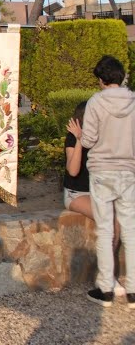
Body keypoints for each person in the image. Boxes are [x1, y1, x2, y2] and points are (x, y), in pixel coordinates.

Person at [80, 55, 135, 307]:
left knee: (105, 230)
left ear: (101, 79)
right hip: (129, 171)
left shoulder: (95, 102)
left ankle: (105, 289)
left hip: (102, 171)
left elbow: (88, 141)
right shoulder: (133, 101)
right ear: (121, 76)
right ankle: (133, 290)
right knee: (131, 230)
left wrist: (82, 136)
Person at [64, 102, 94, 218]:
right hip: (77, 194)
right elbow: (73, 171)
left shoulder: (100, 136)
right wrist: (79, 140)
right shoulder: (72, 138)